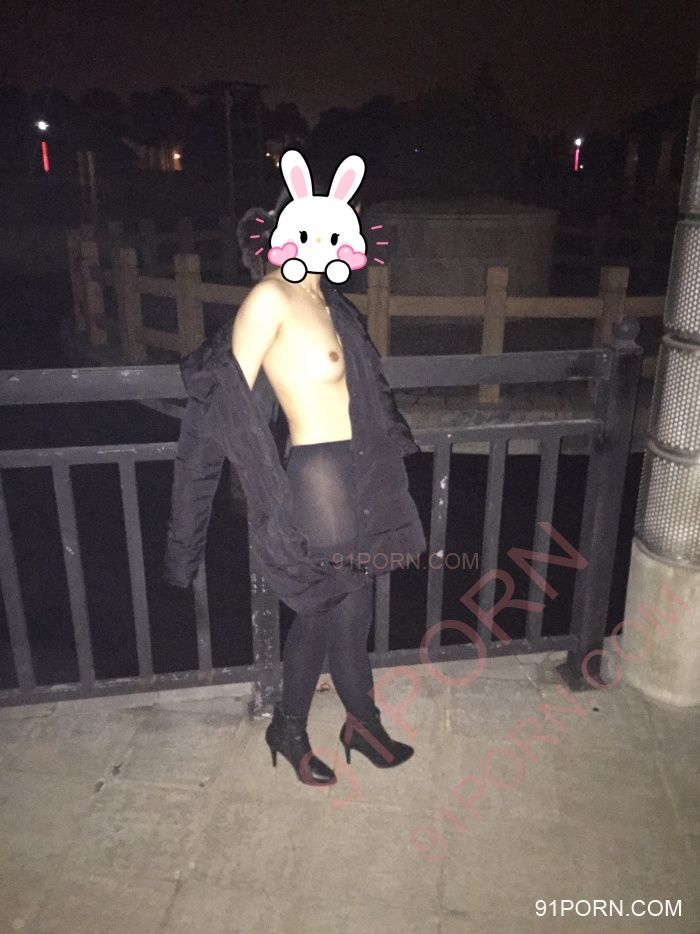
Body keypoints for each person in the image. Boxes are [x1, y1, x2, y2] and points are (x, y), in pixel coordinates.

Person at [231, 253, 417, 787]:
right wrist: (260, 489)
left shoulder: (328, 299)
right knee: (332, 604)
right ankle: (317, 728)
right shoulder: (271, 297)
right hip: (318, 476)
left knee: (347, 610)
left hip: (357, 468)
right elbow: (231, 404)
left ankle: (341, 725)